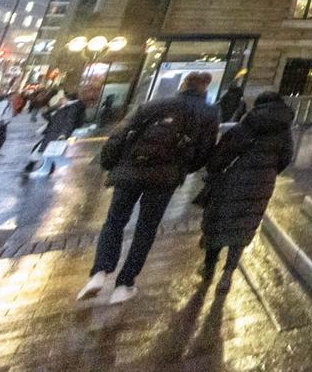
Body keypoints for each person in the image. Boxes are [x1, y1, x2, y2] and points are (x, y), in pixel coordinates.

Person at [78, 72, 220, 305]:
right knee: (146, 228)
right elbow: (205, 151)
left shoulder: (157, 103)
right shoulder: (209, 112)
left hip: (131, 169)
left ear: (183, 84)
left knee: (114, 221)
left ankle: (100, 272)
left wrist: (110, 163)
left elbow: (120, 134)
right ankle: (124, 284)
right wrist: (182, 168)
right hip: (165, 177)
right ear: (205, 88)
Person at [198, 92, 295, 295]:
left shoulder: (247, 124)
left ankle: (208, 266)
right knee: (244, 226)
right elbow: (285, 158)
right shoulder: (284, 131)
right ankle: (228, 271)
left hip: (231, 180)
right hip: (261, 184)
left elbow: (223, 153)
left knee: (219, 222)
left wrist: (214, 170)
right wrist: (268, 172)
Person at [24, 91, 85, 175]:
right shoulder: (65, 107)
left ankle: (41, 168)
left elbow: (69, 122)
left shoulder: (72, 108)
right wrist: (56, 106)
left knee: (48, 150)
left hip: (57, 132)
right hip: (53, 130)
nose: (60, 99)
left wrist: (64, 134)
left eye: (63, 98)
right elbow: (46, 114)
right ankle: (40, 167)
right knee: (44, 149)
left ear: (67, 99)